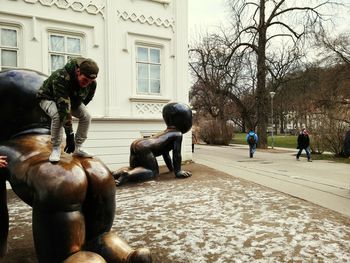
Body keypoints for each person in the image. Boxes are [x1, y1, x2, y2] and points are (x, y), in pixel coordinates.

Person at [113, 102, 192, 186]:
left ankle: (115, 174)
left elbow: (166, 154)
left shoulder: (164, 133)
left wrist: (171, 169)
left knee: (135, 168)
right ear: (183, 120)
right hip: (145, 148)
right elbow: (177, 154)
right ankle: (127, 175)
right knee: (152, 173)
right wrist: (178, 171)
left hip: (137, 143)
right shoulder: (177, 134)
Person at [37, 57, 99, 162]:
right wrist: (69, 134)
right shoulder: (61, 77)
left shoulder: (92, 83)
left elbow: (86, 99)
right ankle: (56, 148)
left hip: (71, 100)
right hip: (48, 98)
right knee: (58, 115)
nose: (87, 83)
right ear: (78, 72)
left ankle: (78, 147)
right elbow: (63, 108)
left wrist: (76, 108)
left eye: (90, 81)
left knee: (86, 116)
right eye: (85, 80)